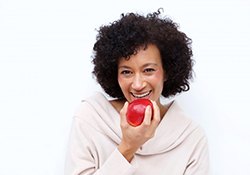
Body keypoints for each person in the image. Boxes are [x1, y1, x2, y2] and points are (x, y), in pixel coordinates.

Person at [64, 8, 210, 175]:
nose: (138, 84)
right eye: (127, 72)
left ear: (167, 71)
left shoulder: (190, 137)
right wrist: (128, 147)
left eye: (148, 70)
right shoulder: (91, 117)